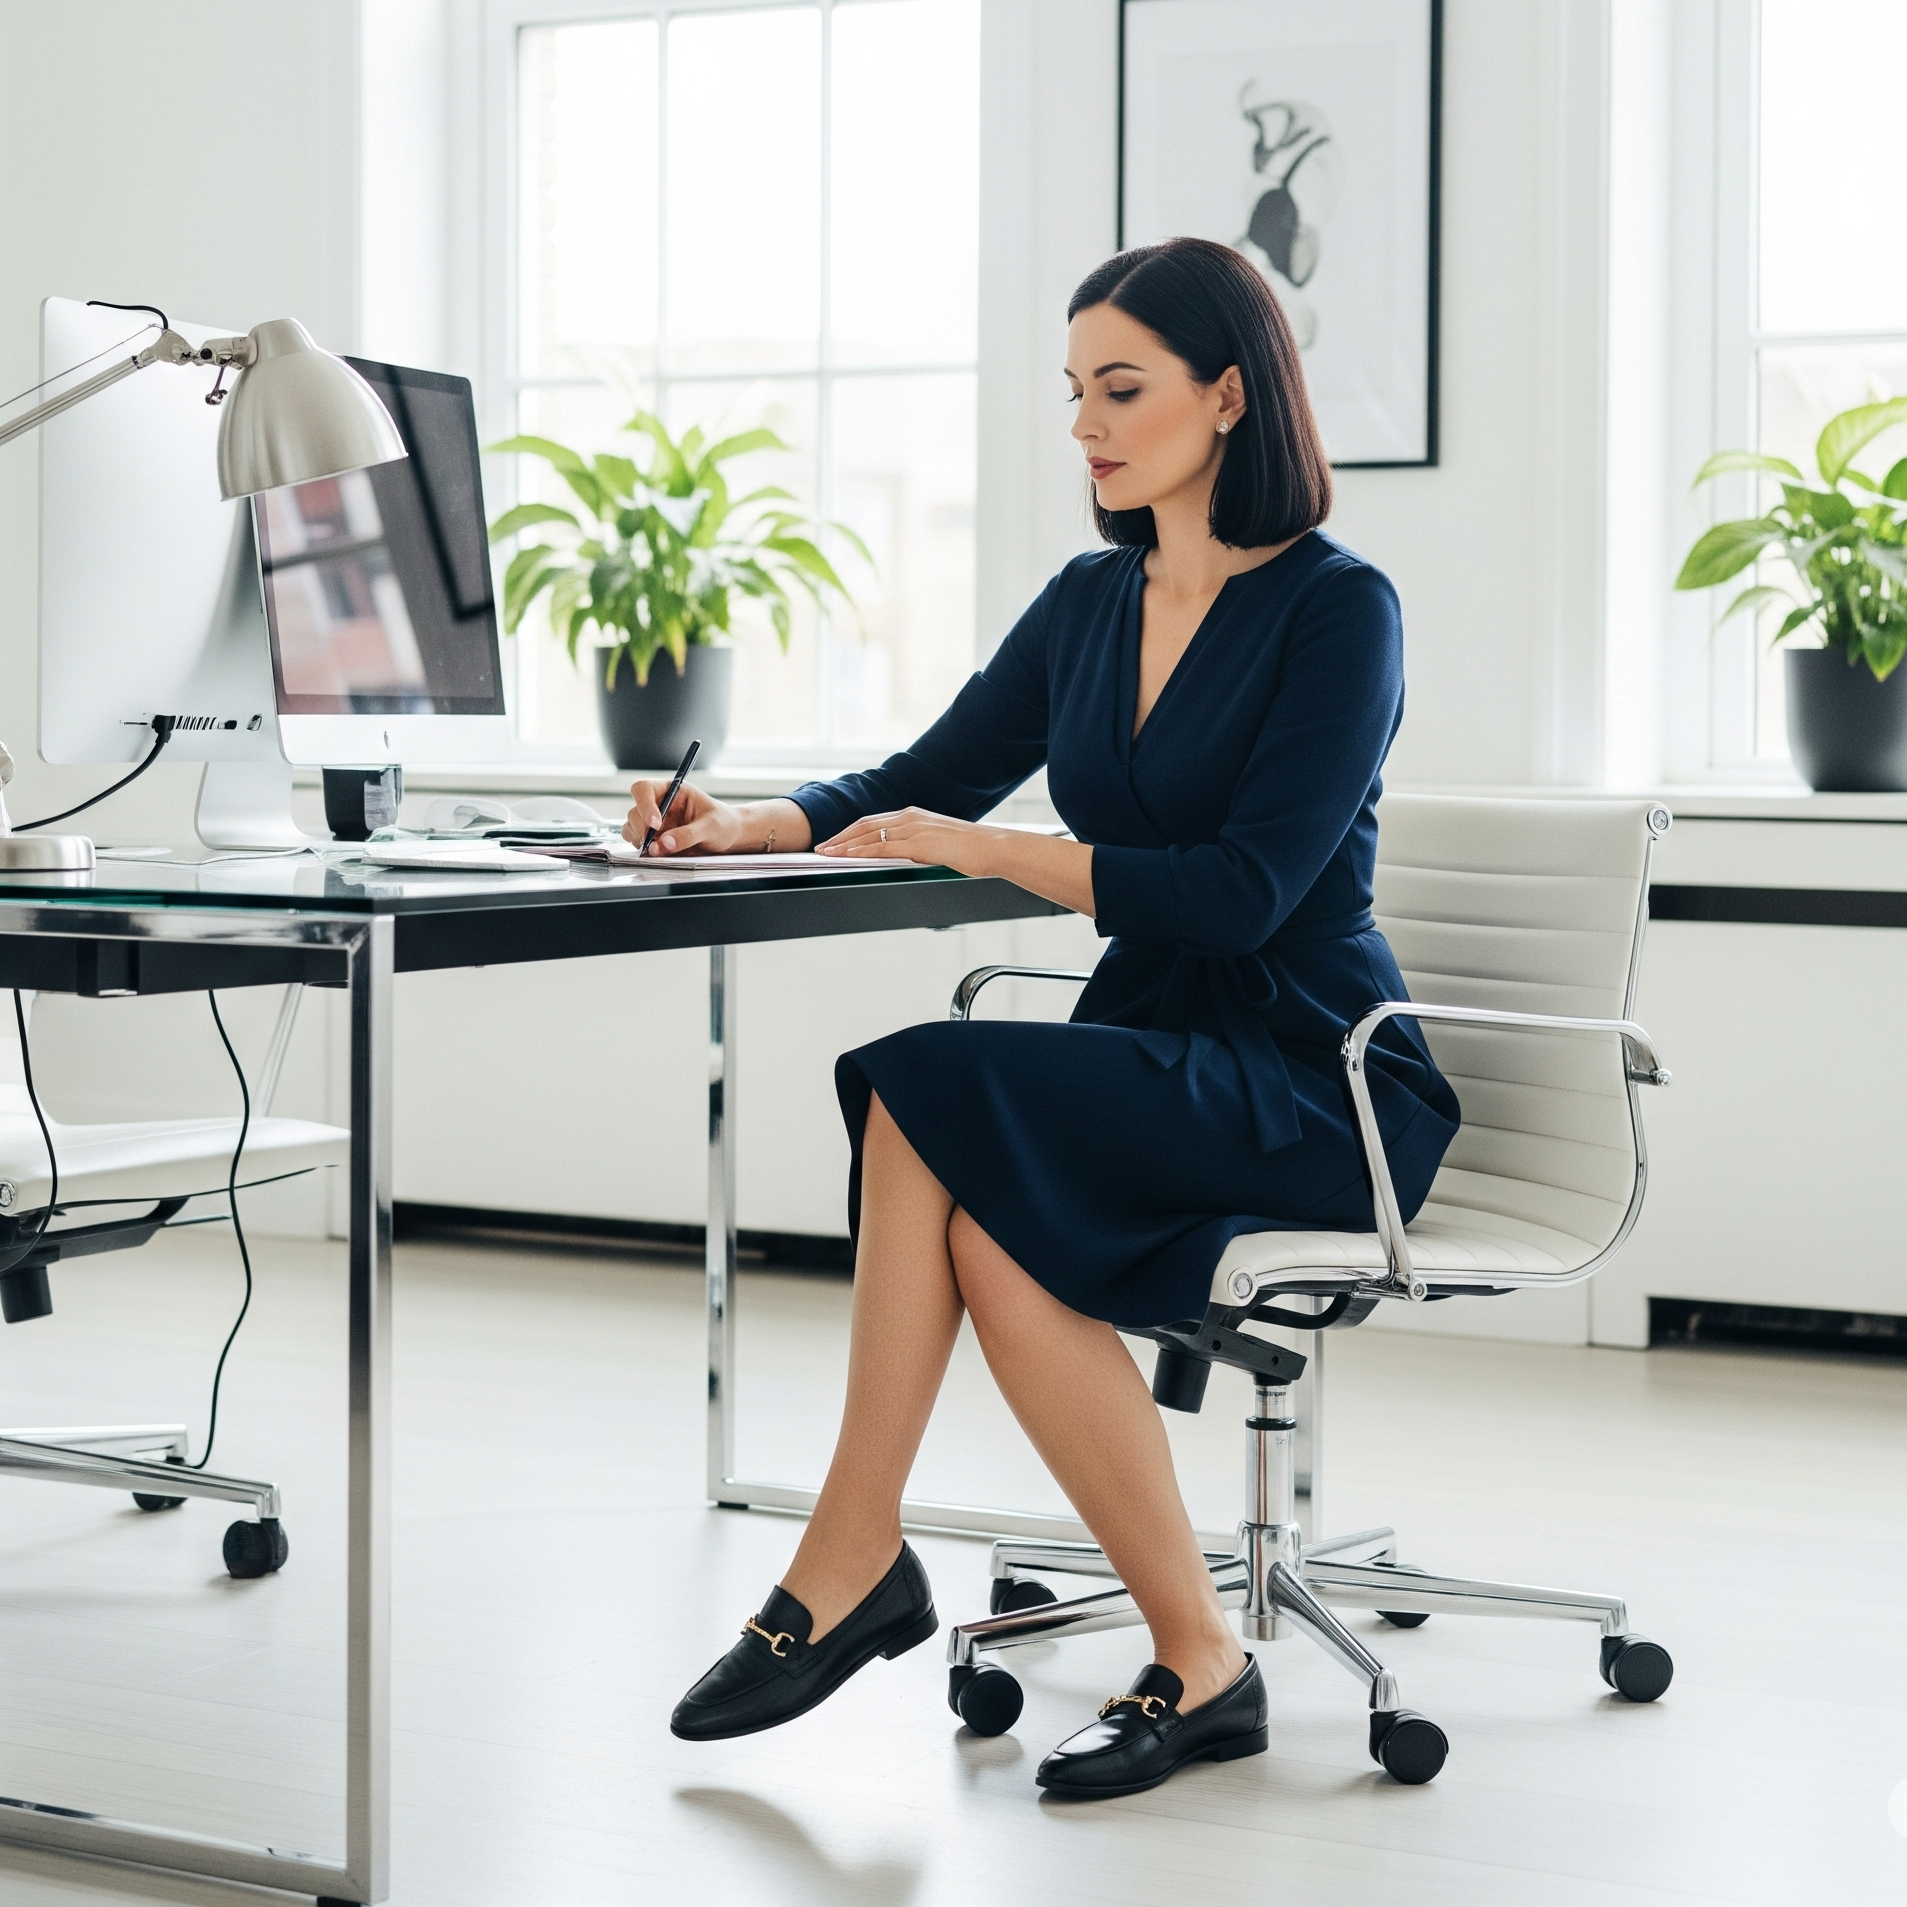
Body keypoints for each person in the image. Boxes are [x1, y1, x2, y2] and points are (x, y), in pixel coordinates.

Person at [630, 237, 1459, 1800]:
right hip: (1151, 1045)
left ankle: (851, 1555)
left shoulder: (1340, 612)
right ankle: (1197, 1657)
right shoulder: (1090, 600)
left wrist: (992, 849)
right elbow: (919, 777)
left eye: (1122, 387)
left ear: (1228, 396)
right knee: (980, 1216)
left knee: (920, 1082)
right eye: (1073, 389)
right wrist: (752, 820)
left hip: (1311, 1074)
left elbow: (1242, 893)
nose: (1085, 420)